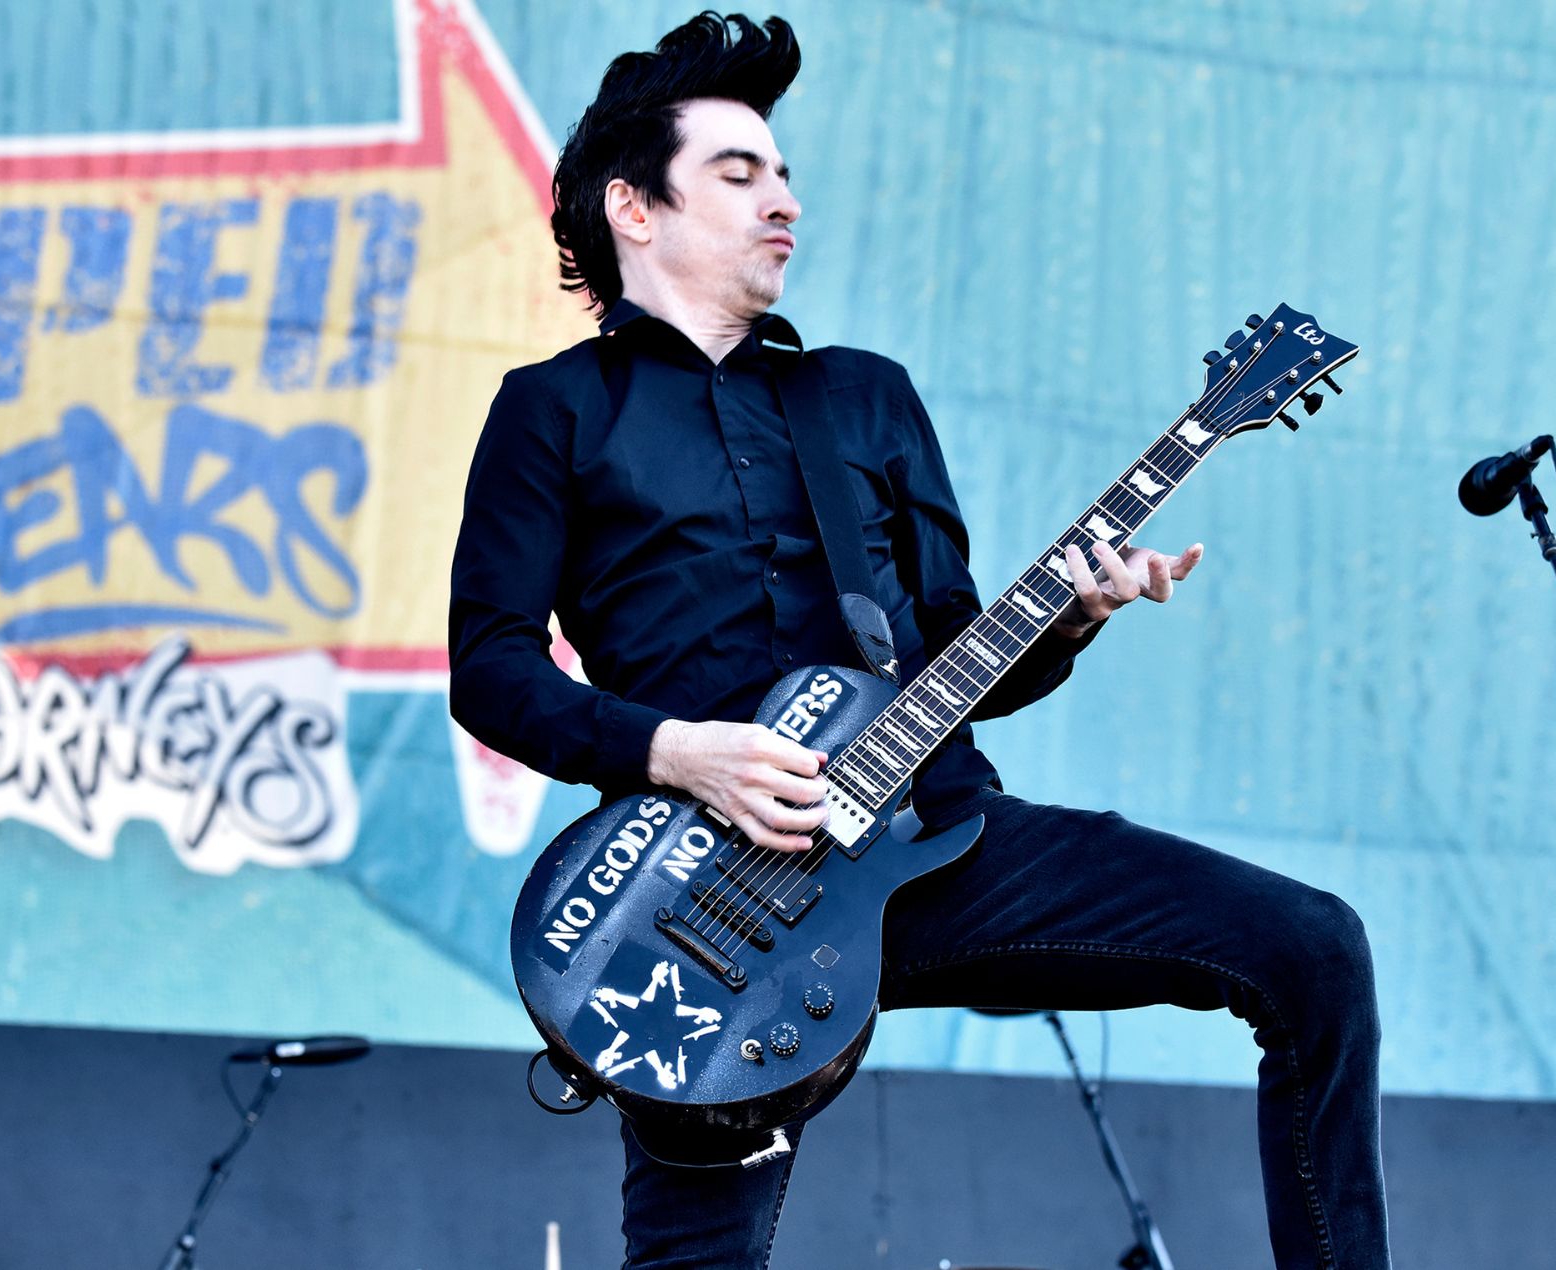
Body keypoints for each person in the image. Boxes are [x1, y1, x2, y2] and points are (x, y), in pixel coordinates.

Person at [448, 13, 1388, 1269]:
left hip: (932, 840)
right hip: (703, 903)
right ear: (633, 207)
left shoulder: (864, 395)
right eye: (739, 173)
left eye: (784, 173)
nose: (782, 198)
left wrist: (1066, 619)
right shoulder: (553, 411)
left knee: (1314, 946)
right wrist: (682, 755)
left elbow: (956, 652)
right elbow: (491, 670)